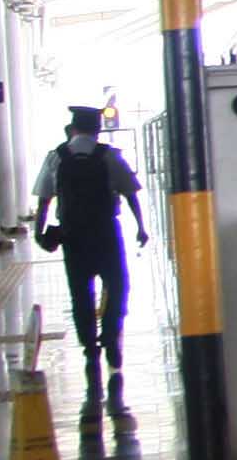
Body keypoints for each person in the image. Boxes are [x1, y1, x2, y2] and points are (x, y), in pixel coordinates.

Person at [32, 105, 149, 419]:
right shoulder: (109, 157)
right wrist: (140, 227)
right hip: (106, 235)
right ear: (97, 131)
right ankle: (111, 336)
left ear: (72, 129)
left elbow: (44, 199)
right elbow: (130, 194)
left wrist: (39, 232)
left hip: (73, 238)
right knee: (117, 286)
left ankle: (90, 348)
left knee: (80, 293)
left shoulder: (56, 157)